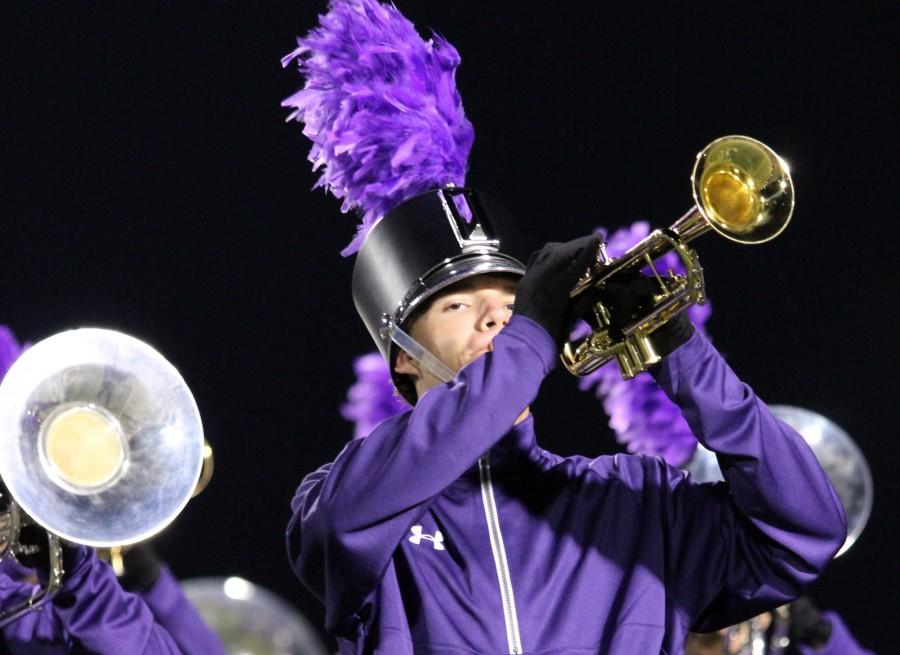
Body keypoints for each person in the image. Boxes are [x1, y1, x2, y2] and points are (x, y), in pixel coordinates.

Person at [282, 3, 846, 652]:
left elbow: (805, 529)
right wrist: (527, 340)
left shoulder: (635, 500)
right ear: (403, 356)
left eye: (512, 299)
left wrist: (680, 351)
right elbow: (337, 527)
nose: (497, 314)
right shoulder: (354, 500)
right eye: (459, 305)